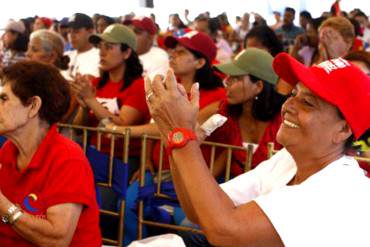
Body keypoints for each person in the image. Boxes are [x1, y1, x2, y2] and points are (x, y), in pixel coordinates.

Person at [145, 51, 370, 246]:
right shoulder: (287, 160)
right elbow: (199, 211)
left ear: (343, 130)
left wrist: (182, 136)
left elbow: (224, 230)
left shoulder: (339, 190)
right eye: (293, 94)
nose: (289, 105)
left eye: (308, 103)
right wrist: (172, 135)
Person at [0, 61, 101, 246]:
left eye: (4, 99)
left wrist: (3, 206)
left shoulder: (68, 158)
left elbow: (57, 240)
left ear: (33, 106)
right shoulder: (8, 150)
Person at [207, 48, 286, 177]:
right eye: (228, 78)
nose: (226, 82)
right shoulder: (227, 112)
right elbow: (226, 154)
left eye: (236, 78)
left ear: (259, 86)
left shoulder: (283, 120)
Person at [62, 13, 100, 80]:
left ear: (90, 32)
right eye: (69, 31)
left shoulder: (100, 57)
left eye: (76, 31)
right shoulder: (65, 55)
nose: (71, 35)